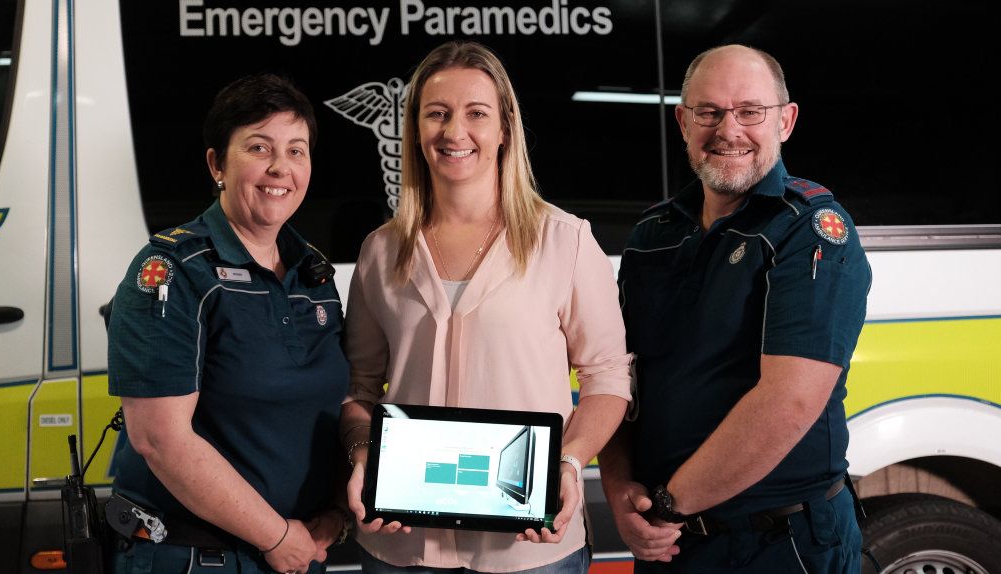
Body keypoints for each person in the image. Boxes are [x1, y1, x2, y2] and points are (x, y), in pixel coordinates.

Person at [340, 41, 632, 574]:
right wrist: (364, 453)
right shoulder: (380, 251)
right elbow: (359, 388)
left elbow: (608, 377)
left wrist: (567, 463)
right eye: (437, 114)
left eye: (476, 113)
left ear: (505, 128)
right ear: (415, 130)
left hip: (529, 550)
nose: (455, 132)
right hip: (401, 548)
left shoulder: (564, 241)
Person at [599, 44, 872, 574]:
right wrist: (618, 488)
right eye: (709, 112)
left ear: (786, 121)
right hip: (670, 539)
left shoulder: (809, 229)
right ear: (682, 122)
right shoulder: (651, 234)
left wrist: (666, 506)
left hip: (779, 542)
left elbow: (789, 402)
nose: (729, 130)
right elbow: (617, 377)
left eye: (750, 111)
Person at [105, 73, 350, 574]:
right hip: (195, 559)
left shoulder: (313, 272)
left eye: (297, 150)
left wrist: (335, 518)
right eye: (259, 148)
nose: (281, 167)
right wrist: (277, 535)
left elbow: (335, 405)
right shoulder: (171, 272)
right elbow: (159, 439)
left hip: (300, 552)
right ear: (217, 163)